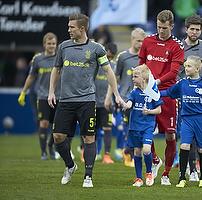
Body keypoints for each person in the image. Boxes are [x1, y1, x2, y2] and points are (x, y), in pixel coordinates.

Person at [48, 14, 125, 188]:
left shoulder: (97, 49)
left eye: (72, 27)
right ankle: (70, 165)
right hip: (65, 100)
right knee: (58, 136)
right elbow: (56, 69)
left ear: (82, 29)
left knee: (89, 138)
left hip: (86, 100)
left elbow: (108, 72)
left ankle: (88, 177)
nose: (69, 30)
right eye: (68, 27)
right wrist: (51, 92)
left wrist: (117, 95)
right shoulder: (64, 47)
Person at [159, 55, 202, 188]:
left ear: (197, 68)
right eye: (186, 65)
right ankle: (182, 178)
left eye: (189, 66)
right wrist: (154, 92)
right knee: (184, 147)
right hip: (187, 119)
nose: (186, 68)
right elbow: (168, 93)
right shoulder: (182, 83)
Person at [138, 9, 185, 185]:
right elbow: (141, 65)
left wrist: (155, 82)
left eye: (165, 28)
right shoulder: (147, 41)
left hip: (168, 94)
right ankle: (156, 160)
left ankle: (166, 173)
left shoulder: (177, 46)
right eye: (159, 27)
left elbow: (174, 72)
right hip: (148, 94)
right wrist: (142, 83)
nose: (161, 31)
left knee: (171, 136)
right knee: (146, 133)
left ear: (172, 26)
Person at [176, 14, 202, 181]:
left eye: (197, 29)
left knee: (199, 136)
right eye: (191, 29)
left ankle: (195, 169)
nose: (194, 32)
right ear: (186, 29)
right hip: (184, 96)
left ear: (201, 31)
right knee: (187, 135)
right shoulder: (178, 47)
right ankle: (192, 169)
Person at [106, 27, 147, 167]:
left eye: (143, 41)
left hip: (142, 100)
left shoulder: (146, 57)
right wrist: (110, 97)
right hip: (126, 99)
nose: (141, 44)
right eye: (138, 41)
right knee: (130, 128)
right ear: (132, 39)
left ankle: (131, 153)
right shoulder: (123, 57)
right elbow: (114, 79)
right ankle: (129, 153)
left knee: (140, 129)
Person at [18, 32, 59, 160]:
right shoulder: (37, 59)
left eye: (53, 44)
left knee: (57, 126)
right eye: (49, 44)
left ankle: (50, 146)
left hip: (59, 96)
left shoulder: (60, 58)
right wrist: (23, 92)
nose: (52, 46)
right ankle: (43, 152)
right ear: (44, 44)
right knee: (44, 123)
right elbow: (31, 77)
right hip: (42, 96)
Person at [123, 64, 163, 187]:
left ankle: (149, 173)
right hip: (135, 126)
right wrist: (126, 105)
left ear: (144, 78)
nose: (133, 79)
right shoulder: (134, 92)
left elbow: (159, 110)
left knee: (146, 149)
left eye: (135, 77)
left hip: (147, 126)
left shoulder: (153, 92)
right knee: (137, 152)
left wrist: (149, 112)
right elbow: (130, 102)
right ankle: (139, 178)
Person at [94, 42, 118, 163]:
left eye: (112, 57)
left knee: (107, 128)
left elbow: (115, 84)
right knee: (90, 129)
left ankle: (106, 155)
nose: (109, 59)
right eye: (108, 56)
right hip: (92, 102)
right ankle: (91, 153)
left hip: (107, 103)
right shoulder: (95, 64)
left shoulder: (113, 66)